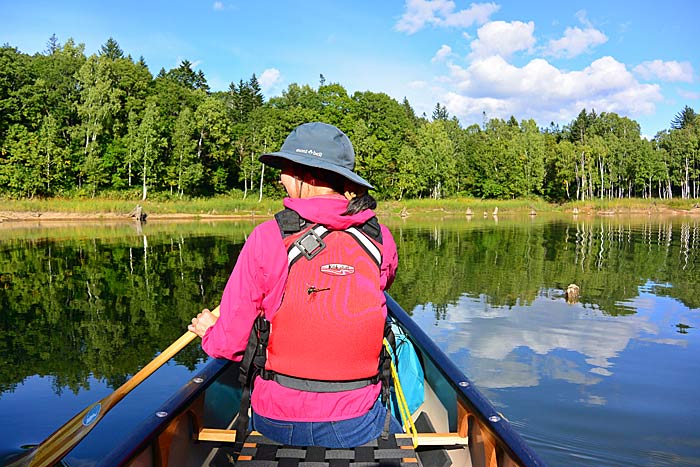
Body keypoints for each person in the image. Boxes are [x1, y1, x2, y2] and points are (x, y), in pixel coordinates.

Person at [188, 122, 401, 448]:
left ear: (306, 177)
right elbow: (378, 282)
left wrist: (209, 331)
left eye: (285, 169)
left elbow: (229, 344)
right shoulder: (380, 238)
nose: (279, 177)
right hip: (358, 420)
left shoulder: (266, 237)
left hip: (278, 418)